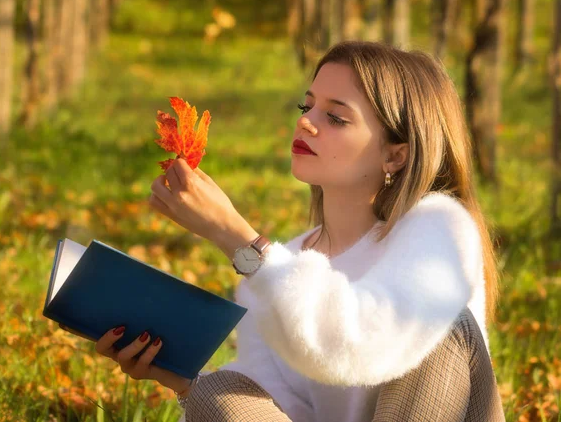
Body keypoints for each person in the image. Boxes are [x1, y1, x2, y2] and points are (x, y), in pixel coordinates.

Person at [92, 41, 506, 421]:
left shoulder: (439, 229)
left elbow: (360, 345)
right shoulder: (276, 269)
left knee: (445, 324)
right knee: (216, 389)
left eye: (335, 117)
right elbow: (278, 409)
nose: (307, 123)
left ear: (395, 155)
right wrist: (179, 375)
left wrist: (238, 239)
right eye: (305, 107)